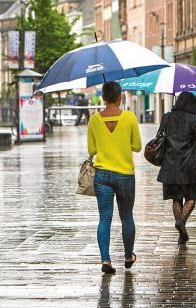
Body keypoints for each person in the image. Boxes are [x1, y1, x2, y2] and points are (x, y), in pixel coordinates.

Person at [87, 81, 142, 274]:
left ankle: (106, 260)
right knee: (127, 217)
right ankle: (128, 255)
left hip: (102, 175)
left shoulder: (94, 119)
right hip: (125, 174)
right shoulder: (129, 117)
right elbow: (137, 146)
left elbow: (92, 150)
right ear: (120, 97)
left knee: (104, 219)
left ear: (103, 97)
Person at [156, 92, 196, 245]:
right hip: (189, 166)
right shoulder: (194, 119)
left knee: (176, 198)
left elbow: (159, 135)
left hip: (170, 165)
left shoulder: (167, 117)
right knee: (191, 197)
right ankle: (182, 221)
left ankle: (181, 231)